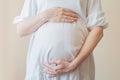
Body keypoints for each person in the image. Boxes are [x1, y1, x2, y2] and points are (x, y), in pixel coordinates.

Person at [13, 0, 108, 80]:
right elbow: (21, 30)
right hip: (40, 71)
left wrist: (73, 65)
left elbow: (98, 30)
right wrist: (46, 15)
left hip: (77, 69)